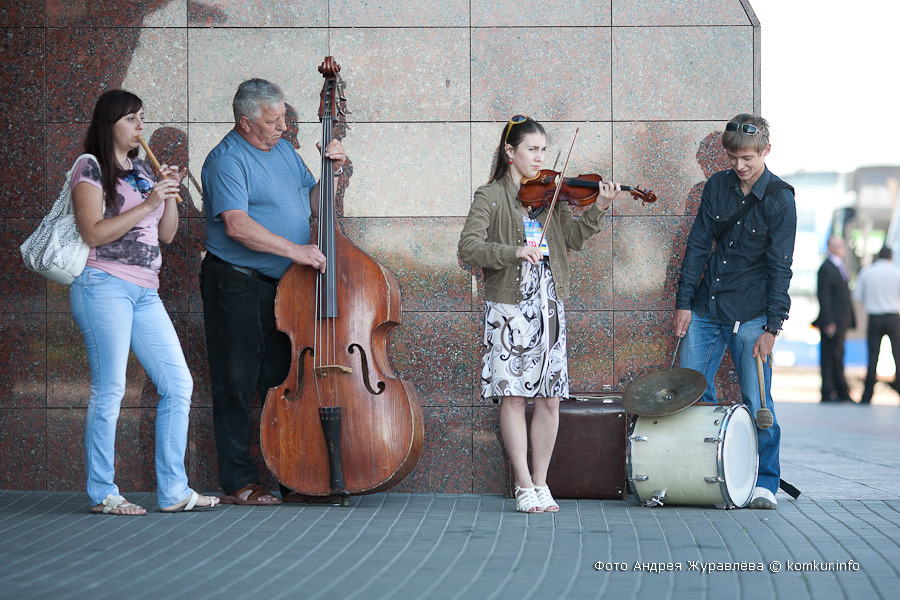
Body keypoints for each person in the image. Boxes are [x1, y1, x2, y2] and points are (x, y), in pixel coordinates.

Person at [458, 115, 619, 513]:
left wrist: (599, 207)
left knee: (550, 399)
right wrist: (512, 251)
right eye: (532, 149)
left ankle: (542, 482)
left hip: (548, 305)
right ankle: (523, 483)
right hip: (510, 307)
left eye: (543, 150)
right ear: (509, 152)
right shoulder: (491, 196)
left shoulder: (551, 195)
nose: (539, 157)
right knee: (513, 396)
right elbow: (468, 248)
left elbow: (574, 240)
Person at [70, 89, 219, 514]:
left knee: (178, 384)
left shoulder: (140, 169)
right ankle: (103, 493)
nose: (140, 127)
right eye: (131, 119)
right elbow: (92, 232)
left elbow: (166, 235)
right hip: (103, 284)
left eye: (141, 118)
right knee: (110, 389)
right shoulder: (90, 166)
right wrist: (149, 202)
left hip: (145, 291)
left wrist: (166, 195)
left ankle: (174, 491)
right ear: (110, 124)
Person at [200, 78, 347, 505]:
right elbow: (236, 226)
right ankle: (239, 482)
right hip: (236, 284)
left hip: (283, 289)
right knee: (235, 383)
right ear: (245, 122)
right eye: (273, 120)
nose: (284, 126)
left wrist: (333, 172)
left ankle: (292, 476)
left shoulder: (284, 151)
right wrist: (296, 251)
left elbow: (315, 205)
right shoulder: (226, 160)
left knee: (282, 382)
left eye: (283, 116)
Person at [674, 114, 796, 510]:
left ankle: (764, 482)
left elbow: (781, 267)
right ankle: (710, 478)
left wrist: (772, 328)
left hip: (753, 315)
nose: (739, 166)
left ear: (766, 151)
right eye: (732, 158)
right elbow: (697, 245)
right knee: (693, 396)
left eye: (747, 158)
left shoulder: (780, 198)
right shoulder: (716, 186)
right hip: (706, 308)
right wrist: (683, 303)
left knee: (758, 402)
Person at [853, 246, 900, 404]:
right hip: (893, 317)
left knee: (872, 357)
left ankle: (867, 395)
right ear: (891, 257)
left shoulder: (867, 272)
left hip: (874, 317)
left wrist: (872, 300)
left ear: (878, 256)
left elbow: (858, 296)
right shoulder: (896, 272)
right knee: (898, 356)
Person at [813, 236, 856, 402]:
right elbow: (824, 296)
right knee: (829, 356)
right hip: (832, 322)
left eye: (841, 246)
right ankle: (829, 391)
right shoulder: (826, 268)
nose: (839, 249)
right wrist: (828, 321)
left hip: (841, 321)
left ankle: (839, 390)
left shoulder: (840, 266)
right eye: (836, 246)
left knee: (837, 355)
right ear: (829, 247)